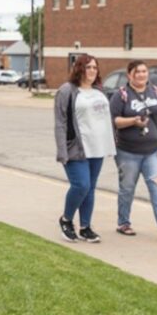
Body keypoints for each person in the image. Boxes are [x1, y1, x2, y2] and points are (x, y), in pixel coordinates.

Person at [109, 60, 157, 242]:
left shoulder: (155, 92)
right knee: (127, 189)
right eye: (138, 72)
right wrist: (133, 121)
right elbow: (114, 120)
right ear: (130, 75)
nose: (142, 75)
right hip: (127, 152)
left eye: (144, 71)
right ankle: (123, 223)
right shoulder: (121, 95)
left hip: (153, 151)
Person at [53, 54, 116, 242]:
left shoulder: (99, 91)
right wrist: (62, 150)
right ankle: (66, 220)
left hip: (98, 147)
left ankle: (85, 227)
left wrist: (112, 144)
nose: (92, 71)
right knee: (81, 185)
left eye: (95, 68)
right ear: (79, 68)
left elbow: (105, 119)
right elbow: (60, 123)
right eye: (88, 67)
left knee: (90, 189)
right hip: (77, 148)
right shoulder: (67, 91)